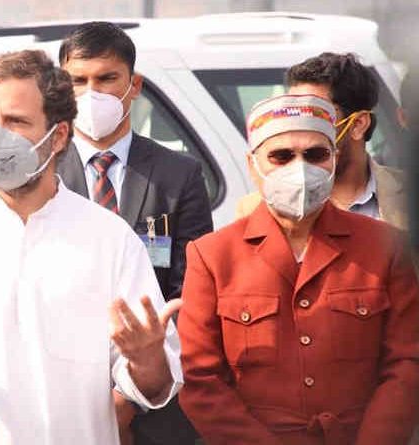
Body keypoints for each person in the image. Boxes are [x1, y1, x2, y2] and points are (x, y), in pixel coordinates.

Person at [0, 49, 183, 445]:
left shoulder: (109, 238)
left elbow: (156, 385)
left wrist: (147, 361)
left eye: (16, 121)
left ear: (58, 136)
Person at [178, 94, 419, 444]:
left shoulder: (385, 246)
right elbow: (201, 379)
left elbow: (407, 362)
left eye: (316, 155)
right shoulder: (213, 255)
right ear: (253, 164)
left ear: (335, 160)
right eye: (282, 156)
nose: (300, 169)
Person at [57, 21, 210, 445]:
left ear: (134, 84)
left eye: (107, 78)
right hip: (63, 400)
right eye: (78, 81)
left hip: (156, 405)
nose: (93, 93)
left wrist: (133, 391)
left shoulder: (178, 175)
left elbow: (190, 293)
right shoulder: (42, 176)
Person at [236, 52, 407, 230]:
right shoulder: (253, 208)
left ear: (357, 125)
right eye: (294, 115)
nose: (301, 130)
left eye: (316, 116)